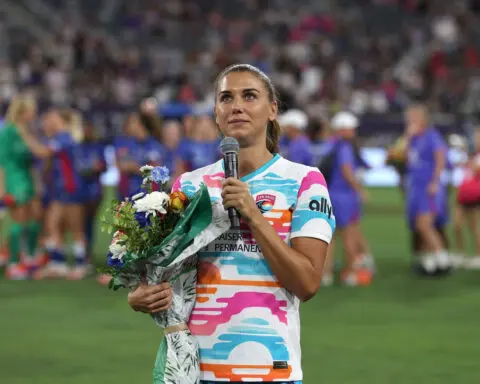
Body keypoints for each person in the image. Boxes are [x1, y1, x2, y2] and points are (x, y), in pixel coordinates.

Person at [126, 64, 336, 383]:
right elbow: (168, 274)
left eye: (249, 96)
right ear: (216, 112)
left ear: (272, 109)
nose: (236, 105)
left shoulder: (304, 181)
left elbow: (307, 283)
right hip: (194, 371)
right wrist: (142, 293)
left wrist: (253, 214)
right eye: (226, 97)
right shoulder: (189, 185)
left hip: (270, 371)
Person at [321, 111, 372, 286]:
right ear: (342, 129)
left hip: (331, 194)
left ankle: (326, 274)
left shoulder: (331, 145)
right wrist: (359, 189)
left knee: (330, 238)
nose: (354, 132)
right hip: (345, 196)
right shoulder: (345, 147)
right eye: (351, 128)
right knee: (350, 236)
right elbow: (346, 170)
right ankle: (350, 274)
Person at [404, 103, 451, 275]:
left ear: (421, 119)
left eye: (412, 117)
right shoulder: (414, 139)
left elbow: (440, 159)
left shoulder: (432, 136)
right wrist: (408, 138)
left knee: (425, 224)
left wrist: (435, 181)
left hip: (429, 186)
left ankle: (442, 257)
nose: (409, 121)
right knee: (418, 224)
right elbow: (408, 161)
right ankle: (431, 259)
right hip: (416, 187)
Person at [0, 95, 40, 279]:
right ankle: (13, 264)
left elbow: (32, 159)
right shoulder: (8, 131)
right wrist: (2, 188)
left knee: (31, 221)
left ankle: (27, 257)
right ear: (23, 112)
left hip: (26, 179)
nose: (34, 113)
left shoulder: (26, 131)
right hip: (13, 180)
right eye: (32, 110)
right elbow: (1, 161)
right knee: (18, 221)